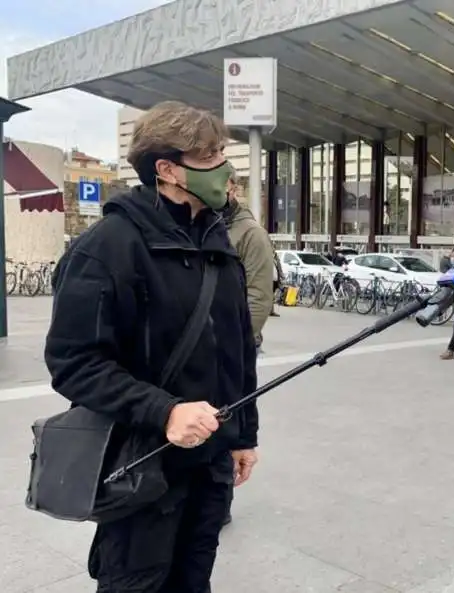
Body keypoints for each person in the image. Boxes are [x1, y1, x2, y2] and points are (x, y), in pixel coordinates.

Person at [44, 100, 260, 593]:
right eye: (210, 158)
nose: (225, 169)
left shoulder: (218, 243)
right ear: (167, 170)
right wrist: (164, 412)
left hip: (210, 466)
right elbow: (73, 363)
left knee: (193, 580)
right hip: (141, 468)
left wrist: (244, 435)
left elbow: (238, 351)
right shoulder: (107, 247)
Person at [221, 169, 275, 524]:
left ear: (234, 188)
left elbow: (258, 297)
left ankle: (219, 500)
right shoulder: (207, 223)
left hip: (232, 346)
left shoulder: (249, 233)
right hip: (204, 343)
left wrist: (237, 346)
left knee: (227, 418)